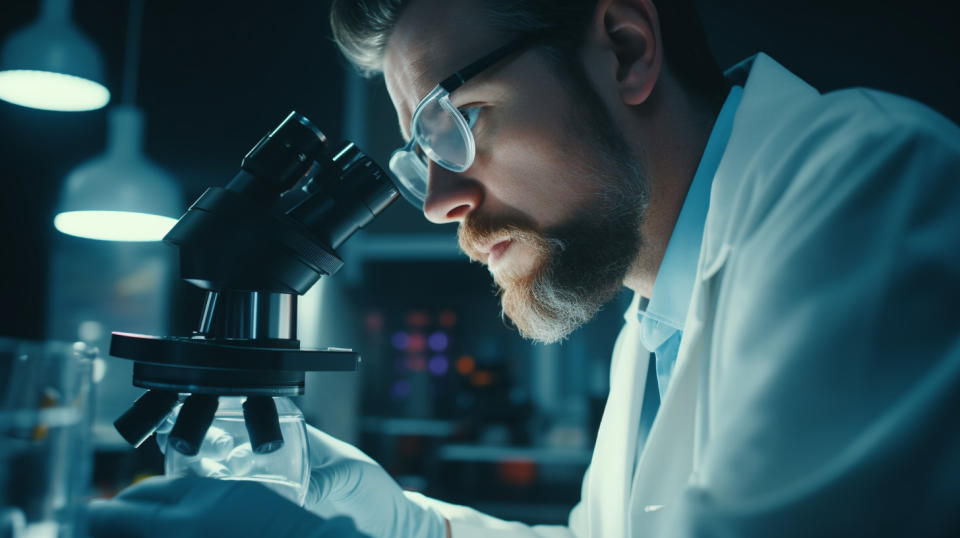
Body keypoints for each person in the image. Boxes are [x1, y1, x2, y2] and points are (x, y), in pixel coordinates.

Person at [87, 0, 960, 536]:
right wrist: (404, 528)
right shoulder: (653, 323)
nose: (438, 202)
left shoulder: (868, 176)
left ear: (624, 48)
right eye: (420, 152)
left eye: (458, 120)